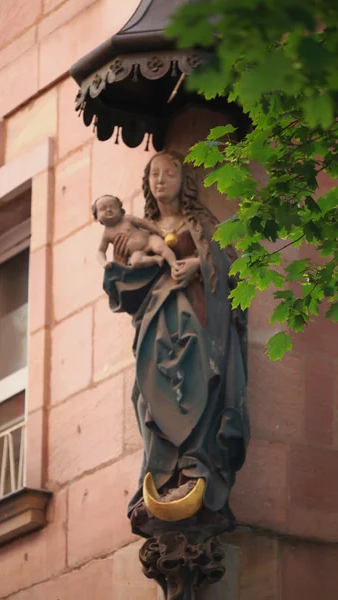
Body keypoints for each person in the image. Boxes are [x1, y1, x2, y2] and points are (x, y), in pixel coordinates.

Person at [103, 151, 249, 535]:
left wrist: (198, 265)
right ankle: (161, 477)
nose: (161, 179)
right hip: (154, 324)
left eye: (170, 172)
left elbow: (231, 263)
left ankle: (197, 467)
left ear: (184, 180)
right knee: (145, 396)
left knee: (199, 383)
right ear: (147, 181)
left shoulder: (198, 223)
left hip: (197, 319)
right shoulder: (140, 229)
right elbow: (125, 290)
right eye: (155, 173)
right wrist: (119, 266)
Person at [92, 194, 177, 269]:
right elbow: (101, 251)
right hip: (136, 252)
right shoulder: (107, 234)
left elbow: (145, 224)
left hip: (149, 240)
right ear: (97, 217)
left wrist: (161, 233)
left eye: (112, 206)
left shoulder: (127, 219)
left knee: (160, 247)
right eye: (103, 208)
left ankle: (173, 263)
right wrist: (104, 263)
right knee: (135, 262)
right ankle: (156, 259)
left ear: (121, 210)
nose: (109, 210)